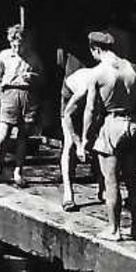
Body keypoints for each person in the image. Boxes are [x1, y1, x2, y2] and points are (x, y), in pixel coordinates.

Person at [81, 30, 136, 242]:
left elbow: (90, 109)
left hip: (113, 124)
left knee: (111, 180)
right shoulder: (131, 68)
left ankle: (114, 229)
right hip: (133, 123)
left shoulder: (99, 72)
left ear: (95, 49)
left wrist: (84, 139)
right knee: (132, 179)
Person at [0, 25, 40, 186]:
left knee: (22, 137)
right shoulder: (4, 56)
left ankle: (18, 171)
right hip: (9, 95)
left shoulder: (33, 57)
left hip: (27, 95)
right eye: (13, 44)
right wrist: (1, 95)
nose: (16, 48)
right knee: (3, 136)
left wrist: (33, 77)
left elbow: (42, 78)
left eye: (19, 44)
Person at [59, 59, 102, 211]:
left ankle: (102, 188)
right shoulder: (83, 89)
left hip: (90, 105)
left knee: (99, 142)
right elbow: (68, 115)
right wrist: (79, 144)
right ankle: (68, 194)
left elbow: (95, 116)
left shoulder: (106, 87)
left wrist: (88, 140)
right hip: (71, 97)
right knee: (69, 144)